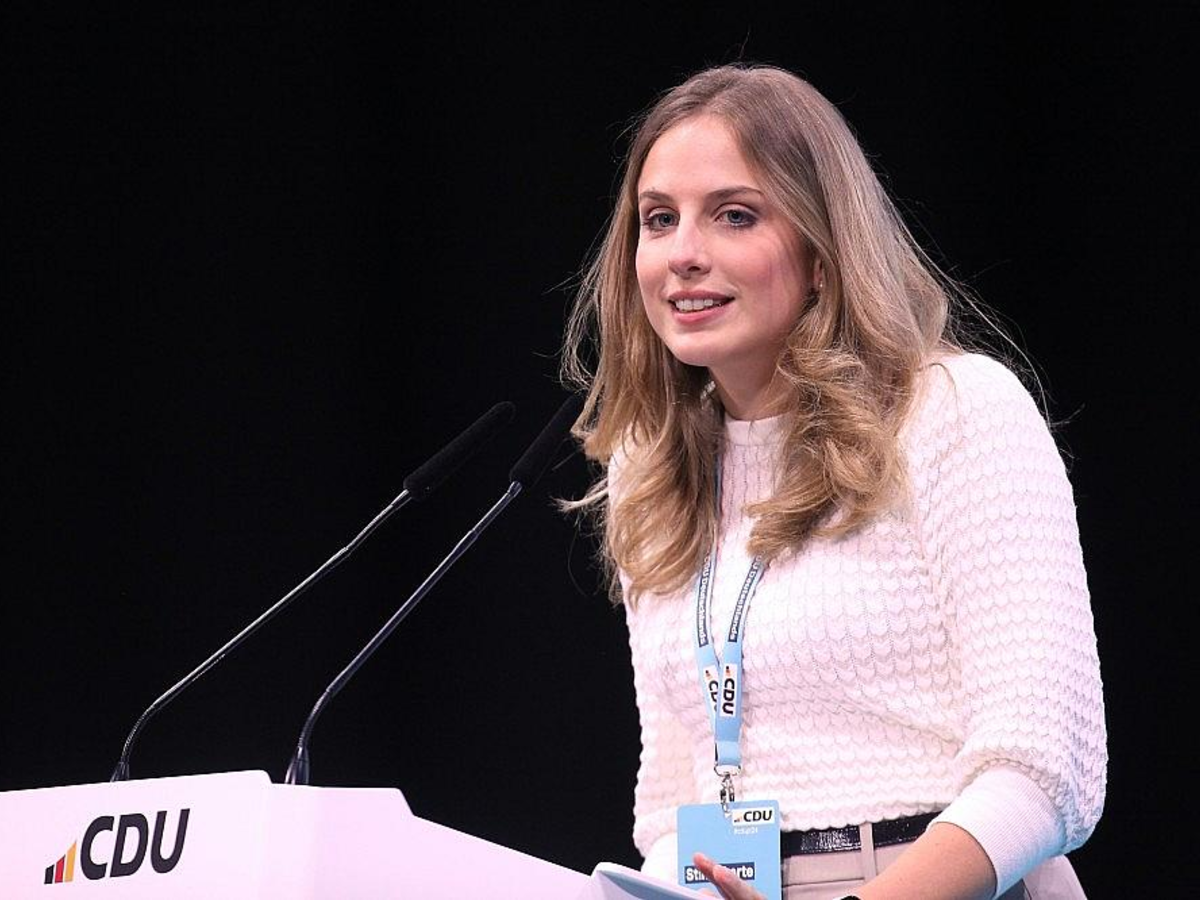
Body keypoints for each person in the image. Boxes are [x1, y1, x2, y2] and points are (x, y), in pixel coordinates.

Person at [561, 64, 1106, 900]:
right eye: (659, 219)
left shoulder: (955, 413)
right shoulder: (650, 468)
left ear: (821, 252)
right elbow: (675, 806)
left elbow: (1045, 769)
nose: (684, 255)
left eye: (735, 215)